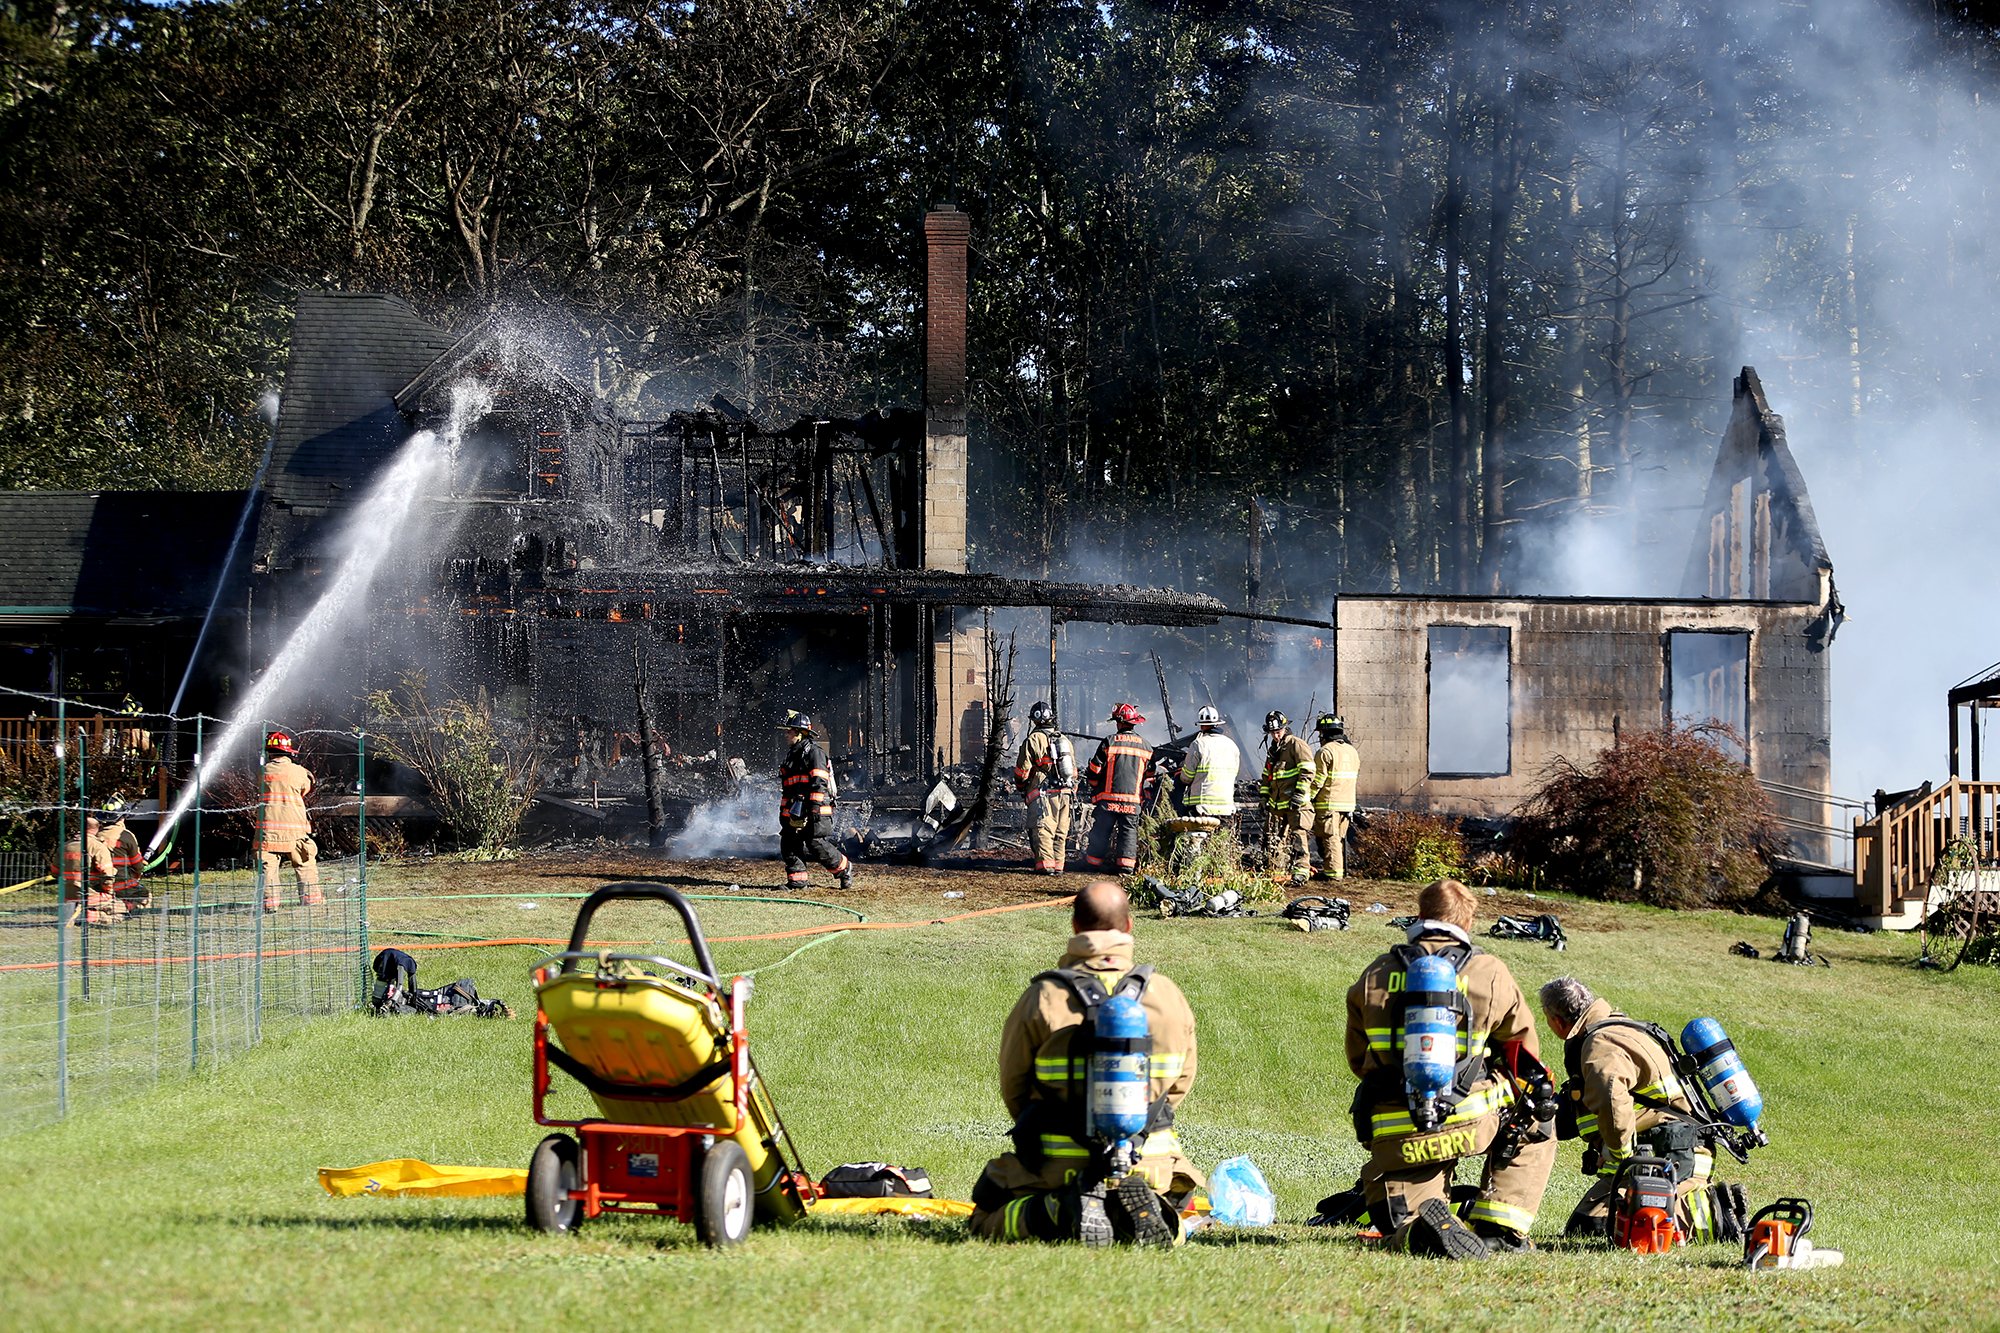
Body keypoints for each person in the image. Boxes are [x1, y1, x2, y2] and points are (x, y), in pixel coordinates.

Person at [968, 880, 1201, 1246]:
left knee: (985, 1220)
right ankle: (1161, 1218)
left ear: (1076, 926)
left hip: (1057, 1167)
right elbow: (1179, 1087)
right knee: (1192, 1211)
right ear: (1128, 926)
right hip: (1149, 1162)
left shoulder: (1043, 996)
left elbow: (1014, 1088)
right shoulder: (1168, 994)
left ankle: (1058, 1211)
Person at [1344, 878, 1555, 1258]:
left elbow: (1360, 1060)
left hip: (1397, 1131)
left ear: (1421, 914)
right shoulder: (1489, 971)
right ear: (1468, 923)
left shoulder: (1374, 974)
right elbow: (1524, 1057)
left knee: (1410, 1220)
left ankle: (1416, 1232)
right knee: (1537, 1118)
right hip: (1471, 1119)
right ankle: (1501, 1228)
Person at [1537, 977, 1746, 1244]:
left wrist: (1620, 1158)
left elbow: (1612, 1100)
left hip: (1675, 1154)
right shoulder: (1617, 1028)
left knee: (1601, 1227)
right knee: (1585, 1227)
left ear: (1557, 1021)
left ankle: (1714, 1212)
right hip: (1667, 1147)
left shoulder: (1601, 1044)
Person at [777, 709, 854, 891]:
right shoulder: (792, 754)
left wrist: (813, 808)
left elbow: (819, 781)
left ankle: (844, 869)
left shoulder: (814, 752)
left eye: (789, 730)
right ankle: (797, 881)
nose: (786, 734)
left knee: (815, 843)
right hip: (795, 809)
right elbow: (789, 787)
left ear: (799, 732)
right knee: (789, 842)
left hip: (815, 808)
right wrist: (785, 813)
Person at [1082, 703, 1153, 874]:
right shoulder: (1147, 747)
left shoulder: (1110, 741)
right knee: (1129, 833)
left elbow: (1095, 770)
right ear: (1134, 722)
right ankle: (1126, 866)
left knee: (1101, 830)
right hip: (1133, 802)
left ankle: (1093, 863)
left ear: (1119, 723)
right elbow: (1150, 776)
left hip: (1108, 800)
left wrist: (1094, 786)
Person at [258, 730, 324, 911]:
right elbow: (307, 788)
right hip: (295, 829)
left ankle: (270, 903)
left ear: (269, 752)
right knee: (304, 862)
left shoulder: (262, 772)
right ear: (289, 752)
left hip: (269, 830)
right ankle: (311, 899)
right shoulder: (299, 772)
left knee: (268, 867)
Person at [1014, 701, 1077, 875]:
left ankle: (1046, 866)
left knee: (1043, 828)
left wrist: (1021, 787)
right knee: (1060, 831)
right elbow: (1073, 771)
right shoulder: (1064, 740)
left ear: (1034, 721)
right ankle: (1058, 866)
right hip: (1065, 791)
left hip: (1043, 792)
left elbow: (1022, 771)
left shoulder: (1033, 739)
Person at [1258, 711, 1316, 886]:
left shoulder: (1297, 745)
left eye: (1278, 731)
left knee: (1298, 836)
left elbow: (1308, 771)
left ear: (1285, 728)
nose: (1275, 735)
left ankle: (1301, 872)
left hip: (1296, 804)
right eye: (1272, 732)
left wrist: (1299, 794)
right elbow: (1267, 776)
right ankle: (1274, 869)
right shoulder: (1273, 750)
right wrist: (1263, 797)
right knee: (1274, 838)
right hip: (1277, 805)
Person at [1309, 714, 1361, 881]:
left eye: (1320, 734)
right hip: (1347, 804)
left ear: (1324, 733)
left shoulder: (1325, 752)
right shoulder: (1352, 751)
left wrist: (1307, 797)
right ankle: (1338, 870)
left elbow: (1318, 780)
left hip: (1328, 803)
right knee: (1338, 839)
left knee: (1329, 838)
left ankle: (1333, 875)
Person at [1176, 705, 1241, 825]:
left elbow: (1186, 777)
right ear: (1217, 724)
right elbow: (1235, 773)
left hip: (1203, 809)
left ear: (1202, 725)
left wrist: (1179, 776)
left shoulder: (1198, 744)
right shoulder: (1232, 745)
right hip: (1226, 807)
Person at [60, 815, 125, 926]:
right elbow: (107, 875)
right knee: (121, 910)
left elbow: (55, 871)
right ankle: (90, 916)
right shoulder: (97, 847)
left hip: (67, 897)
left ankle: (77, 913)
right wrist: (108, 892)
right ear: (97, 828)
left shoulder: (65, 846)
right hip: (90, 895)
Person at [98, 798, 149, 911]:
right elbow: (137, 864)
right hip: (121, 885)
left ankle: (109, 904)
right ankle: (125, 908)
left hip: (99, 885)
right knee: (145, 897)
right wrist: (140, 868)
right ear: (121, 818)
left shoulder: (95, 836)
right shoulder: (126, 835)